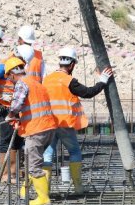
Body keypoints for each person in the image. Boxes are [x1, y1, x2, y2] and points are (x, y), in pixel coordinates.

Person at [42, 47, 113, 195]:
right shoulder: (69, 81)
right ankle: (78, 188)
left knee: (47, 155)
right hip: (64, 124)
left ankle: (44, 191)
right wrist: (102, 81)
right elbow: (87, 92)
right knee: (74, 152)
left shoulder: (47, 79)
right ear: (72, 64)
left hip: (48, 124)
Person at [5, 57, 57, 205]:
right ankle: (25, 191)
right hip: (48, 128)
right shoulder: (36, 83)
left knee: (33, 165)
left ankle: (43, 197)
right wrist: (20, 121)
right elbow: (33, 107)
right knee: (31, 161)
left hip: (37, 130)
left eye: (8, 77)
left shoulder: (22, 83)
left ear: (13, 74)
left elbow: (17, 105)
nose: (9, 80)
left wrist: (10, 115)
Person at [0, 44, 36, 184]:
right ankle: (6, 174)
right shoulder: (5, 66)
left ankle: (14, 171)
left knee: (17, 141)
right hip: (7, 109)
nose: (23, 65)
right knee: (7, 142)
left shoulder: (17, 66)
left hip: (15, 108)